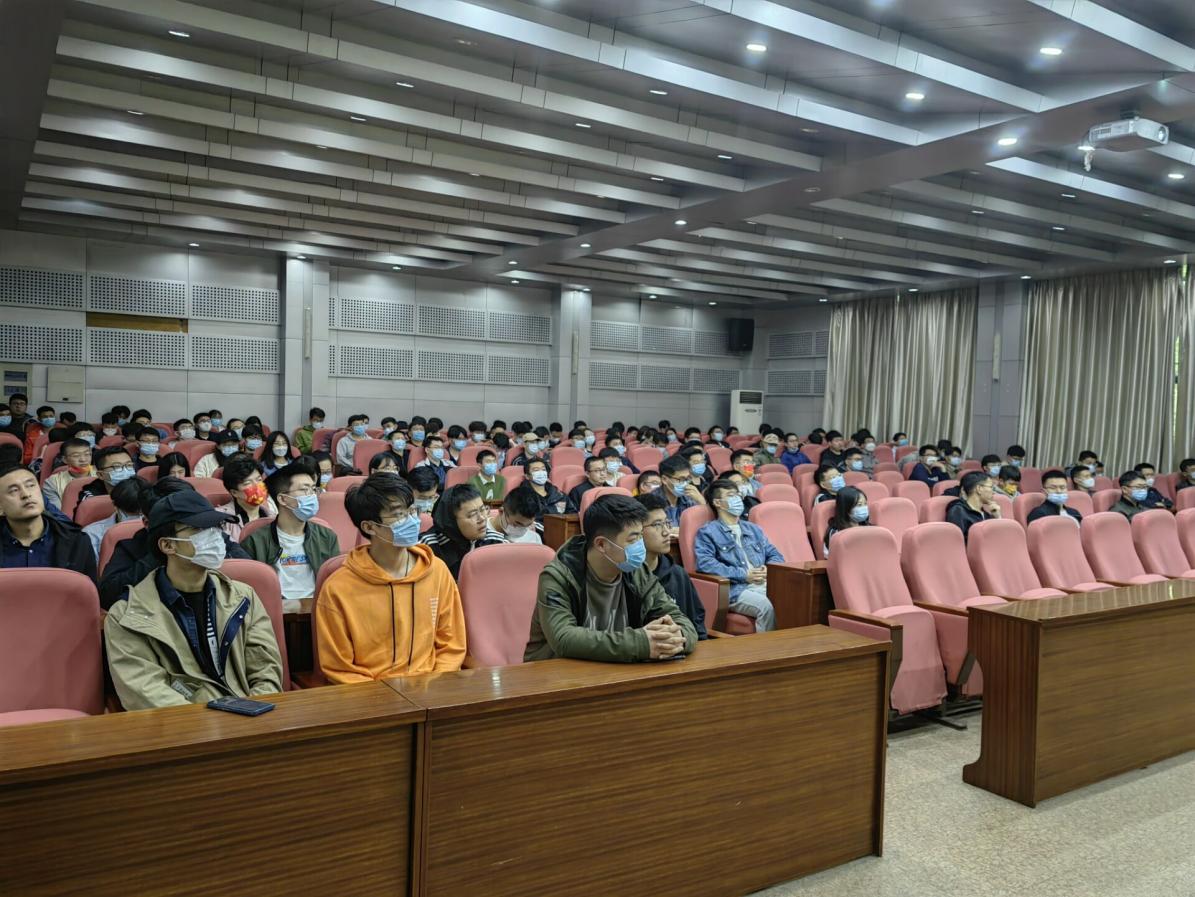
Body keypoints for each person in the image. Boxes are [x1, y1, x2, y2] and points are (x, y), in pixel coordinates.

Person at [102, 490, 284, 710]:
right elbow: (145, 691)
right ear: (167, 545)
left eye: (216, 527)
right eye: (199, 529)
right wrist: (215, 722)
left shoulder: (243, 597)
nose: (215, 537)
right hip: (183, 724)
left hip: (251, 716)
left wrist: (253, 711)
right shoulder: (128, 616)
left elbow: (266, 670)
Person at [316, 472, 464, 681]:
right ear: (369, 527)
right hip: (370, 694)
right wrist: (383, 696)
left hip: (431, 688)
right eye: (399, 514)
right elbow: (340, 668)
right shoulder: (338, 588)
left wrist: (433, 687)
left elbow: (451, 646)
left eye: (411, 510)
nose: (412, 520)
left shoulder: (437, 571)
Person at [524, 494, 697, 662]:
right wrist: (641, 643)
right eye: (633, 539)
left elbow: (681, 620)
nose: (640, 545)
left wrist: (676, 638)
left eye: (641, 536)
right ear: (601, 544)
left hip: (615, 669)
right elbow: (563, 638)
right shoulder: (559, 577)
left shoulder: (637, 572)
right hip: (556, 672)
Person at [242, 460, 341, 604]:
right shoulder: (254, 542)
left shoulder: (327, 537)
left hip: (318, 607)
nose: (312, 496)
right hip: (273, 609)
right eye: (305, 490)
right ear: (283, 499)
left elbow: (335, 583)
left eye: (314, 489)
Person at [693, 479, 782, 631]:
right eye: (730, 495)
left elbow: (775, 555)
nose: (737, 499)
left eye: (737, 495)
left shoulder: (753, 529)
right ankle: (767, 646)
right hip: (736, 589)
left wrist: (769, 569)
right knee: (765, 606)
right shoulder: (708, 532)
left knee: (794, 599)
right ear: (717, 503)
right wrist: (744, 575)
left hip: (763, 582)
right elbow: (705, 564)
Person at [0, 464, 97, 580]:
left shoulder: (77, 541)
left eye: (31, 485)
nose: (26, 494)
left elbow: (87, 589)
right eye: (14, 490)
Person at [636, 491, 707, 640]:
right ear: (636, 530)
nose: (666, 532)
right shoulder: (625, 577)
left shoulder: (677, 574)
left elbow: (696, 622)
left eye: (667, 523)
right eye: (657, 525)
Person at [419, 484, 503, 578]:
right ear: (451, 522)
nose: (482, 518)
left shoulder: (495, 542)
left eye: (483, 510)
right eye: (472, 515)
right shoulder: (427, 547)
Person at [83, 475, 149, 560]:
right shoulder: (93, 535)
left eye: (143, 513)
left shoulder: (156, 529)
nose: (139, 518)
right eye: (133, 514)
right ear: (115, 506)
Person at [217, 457, 277, 540]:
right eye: (248, 483)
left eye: (259, 480)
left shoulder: (272, 516)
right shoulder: (222, 519)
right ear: (234, 492)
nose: (257, 486)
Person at [75, 445, 137, 511]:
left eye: (129, 465)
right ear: (101, 475)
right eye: (117, 467)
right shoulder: (91, 499)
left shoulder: (141, 489)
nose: (125, 471)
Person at [945, 471, 1002, 542]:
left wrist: (998, 517)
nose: (994, 492)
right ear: (979, 489)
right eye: (991, 487)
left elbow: (999, 540)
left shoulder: (986, 514)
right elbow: (957, 542)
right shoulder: (958, 511)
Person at [41, 437, 94, 511]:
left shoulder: (102, 475)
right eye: (76, 456)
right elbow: (58, 513)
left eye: (87, 454)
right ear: (65, 459)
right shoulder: (52, 482)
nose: (83, 459)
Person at [824, 486, 870, 557]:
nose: (864, 508)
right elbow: (832, 558)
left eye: (865, 504)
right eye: (859, 505)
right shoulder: (835, 533)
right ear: (846, 508)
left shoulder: (868, 527)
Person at [657, 454, 702, 526]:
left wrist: (701, 501)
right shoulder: (653, 501)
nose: (685, 484)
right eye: (681, 479)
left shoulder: (689, 497)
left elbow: (702, 524)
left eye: (687, 479)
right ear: (664, 479)